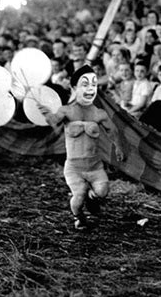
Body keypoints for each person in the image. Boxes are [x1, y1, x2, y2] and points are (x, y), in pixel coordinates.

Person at [39, 65, 125, 230]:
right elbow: (53, 121)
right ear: (74, 88)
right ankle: (79, 218)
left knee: (103, 192)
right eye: (85, 85)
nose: (90, 89)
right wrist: (45, 113)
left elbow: (113, 131)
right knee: (78, 198)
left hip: (95, 165)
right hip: (74, 167)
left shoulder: (99, 113)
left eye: (93, 85)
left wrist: (118, 147)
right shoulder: (66, 111)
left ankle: (91, 197)